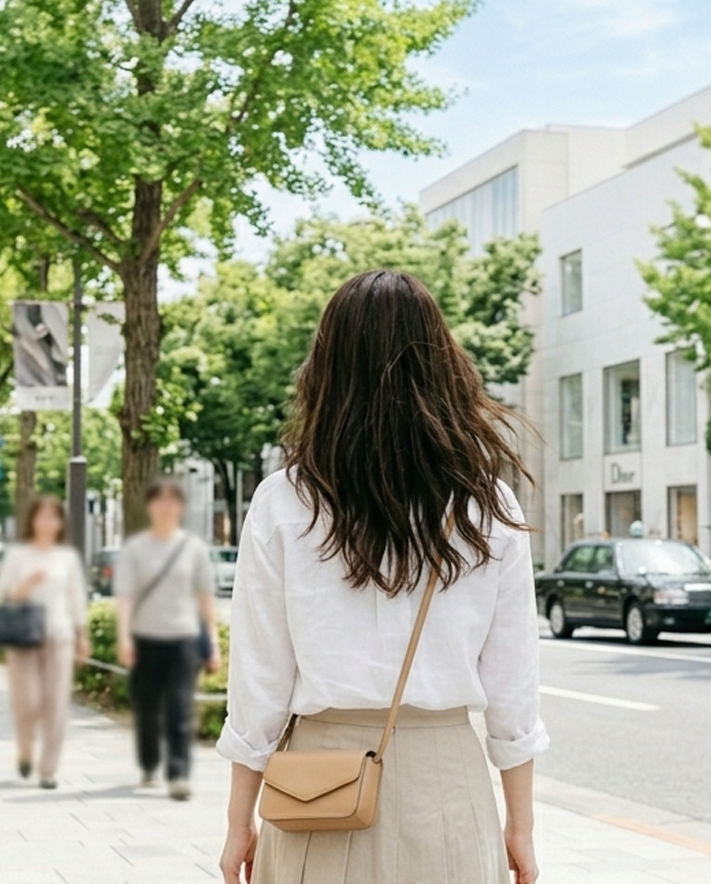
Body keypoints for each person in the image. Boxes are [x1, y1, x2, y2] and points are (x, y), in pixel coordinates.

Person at [217, 270, 548, 884]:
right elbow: (513, 688)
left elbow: (258, 682)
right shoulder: (487, 506)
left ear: (327, 365)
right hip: (448, 785)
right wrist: (520, 826)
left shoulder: (284, 502)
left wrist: (240, 820)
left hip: (315, 790)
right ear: (443, 364)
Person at [114, 479, 220, 801]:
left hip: (183, 639)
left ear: (181, 507)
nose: (166, 506)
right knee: (146, 707)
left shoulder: (193, 549)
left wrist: (212, 643)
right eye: (159, 500)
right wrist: (124, 638)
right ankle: (148, 762)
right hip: (145, 639)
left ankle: (177, 774)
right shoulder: (135, 549)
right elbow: (126, 598)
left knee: (179, 707)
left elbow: (205, 599)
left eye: (173, 500)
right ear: (149, 506)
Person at [0, 496, 90, 789]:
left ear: (61, 523)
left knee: (56, 704)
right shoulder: (18, 556)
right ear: (33, 520)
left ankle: (48, 769)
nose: (48, 522)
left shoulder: (67, 558)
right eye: (42, 516)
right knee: (27, 702)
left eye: (54, 517)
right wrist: (27, 584)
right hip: (23, 638)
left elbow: (76, 599)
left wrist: (82, 636)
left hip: (58, 636)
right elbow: (5, 595)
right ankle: (26, 751)